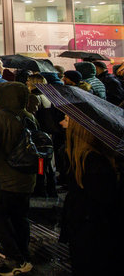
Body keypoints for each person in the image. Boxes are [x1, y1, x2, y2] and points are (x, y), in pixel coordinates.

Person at [0, 82, 36, 276]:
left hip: (4, 179)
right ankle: (24, 253)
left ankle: (16, 258)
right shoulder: (28, 117)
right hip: (26, 179)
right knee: (20, 218)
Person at [60, 115, 123, 274]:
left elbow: (105, 202)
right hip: (90, 230)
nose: (61, 123)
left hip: (91, 233)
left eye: (66, 119)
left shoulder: (89, 162)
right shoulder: (86, 159)